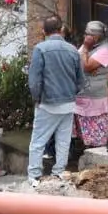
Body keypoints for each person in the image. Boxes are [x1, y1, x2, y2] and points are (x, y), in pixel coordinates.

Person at [27, 16, 84, 189]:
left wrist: (37, 99)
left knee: (38, 141)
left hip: (48, 103)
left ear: (44, 31)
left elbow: (35, 80)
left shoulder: (40, 49)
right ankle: (59, 172)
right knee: (63, 139)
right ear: (61, 29)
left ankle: (35, 176)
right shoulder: (73, 50)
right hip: (68, 103)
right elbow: (80, 81)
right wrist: (70, 94)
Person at [74, 20, 108, 150]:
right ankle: (82, 150)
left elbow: (86, 66)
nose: (85, 37)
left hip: (94, 96)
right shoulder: (91, 48)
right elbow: (77, 60)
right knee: (82, 127)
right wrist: (85, 56)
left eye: (88, 35)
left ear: (96, 37)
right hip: (82, 93)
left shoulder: (105, 50)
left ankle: (96, 151)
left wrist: (85, 49)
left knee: (94, 127)